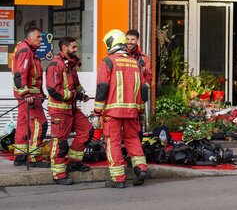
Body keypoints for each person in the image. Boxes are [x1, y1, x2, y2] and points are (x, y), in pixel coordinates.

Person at [93, 29, 149, 188]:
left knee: (113, 142)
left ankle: (118, 179)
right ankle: (141, 169)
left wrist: (97, 112)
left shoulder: (108, 61)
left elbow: (102, 88)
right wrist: (141, 111)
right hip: (132, 111)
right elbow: (143, 89)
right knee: (133, 140)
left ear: (111, 44)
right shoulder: (136, 62)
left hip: (113, 112)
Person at [45, 36, 94, 185]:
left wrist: (83, 94)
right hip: (60, 110)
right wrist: (75, 95)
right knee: (60, 143)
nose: (76, 49)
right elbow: (53, 90)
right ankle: (58, 174)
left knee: (88, 131)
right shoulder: (56, 64)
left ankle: (74, 161)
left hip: (71, 108)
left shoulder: (70, 64)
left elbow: (76, 84)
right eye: (73, 47)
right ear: (65, 48)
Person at [11, 24, 50, 168]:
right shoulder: (26, 50)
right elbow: (20, 74)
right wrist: (26, 93)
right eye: (39, 37)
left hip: (29, 95)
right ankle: (35, 157)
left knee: (23, 125)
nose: (41, 39)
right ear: (30, 37)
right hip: (29, 97)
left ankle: (20, 155)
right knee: (40, 124)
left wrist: (40, 93)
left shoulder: (28, 50)